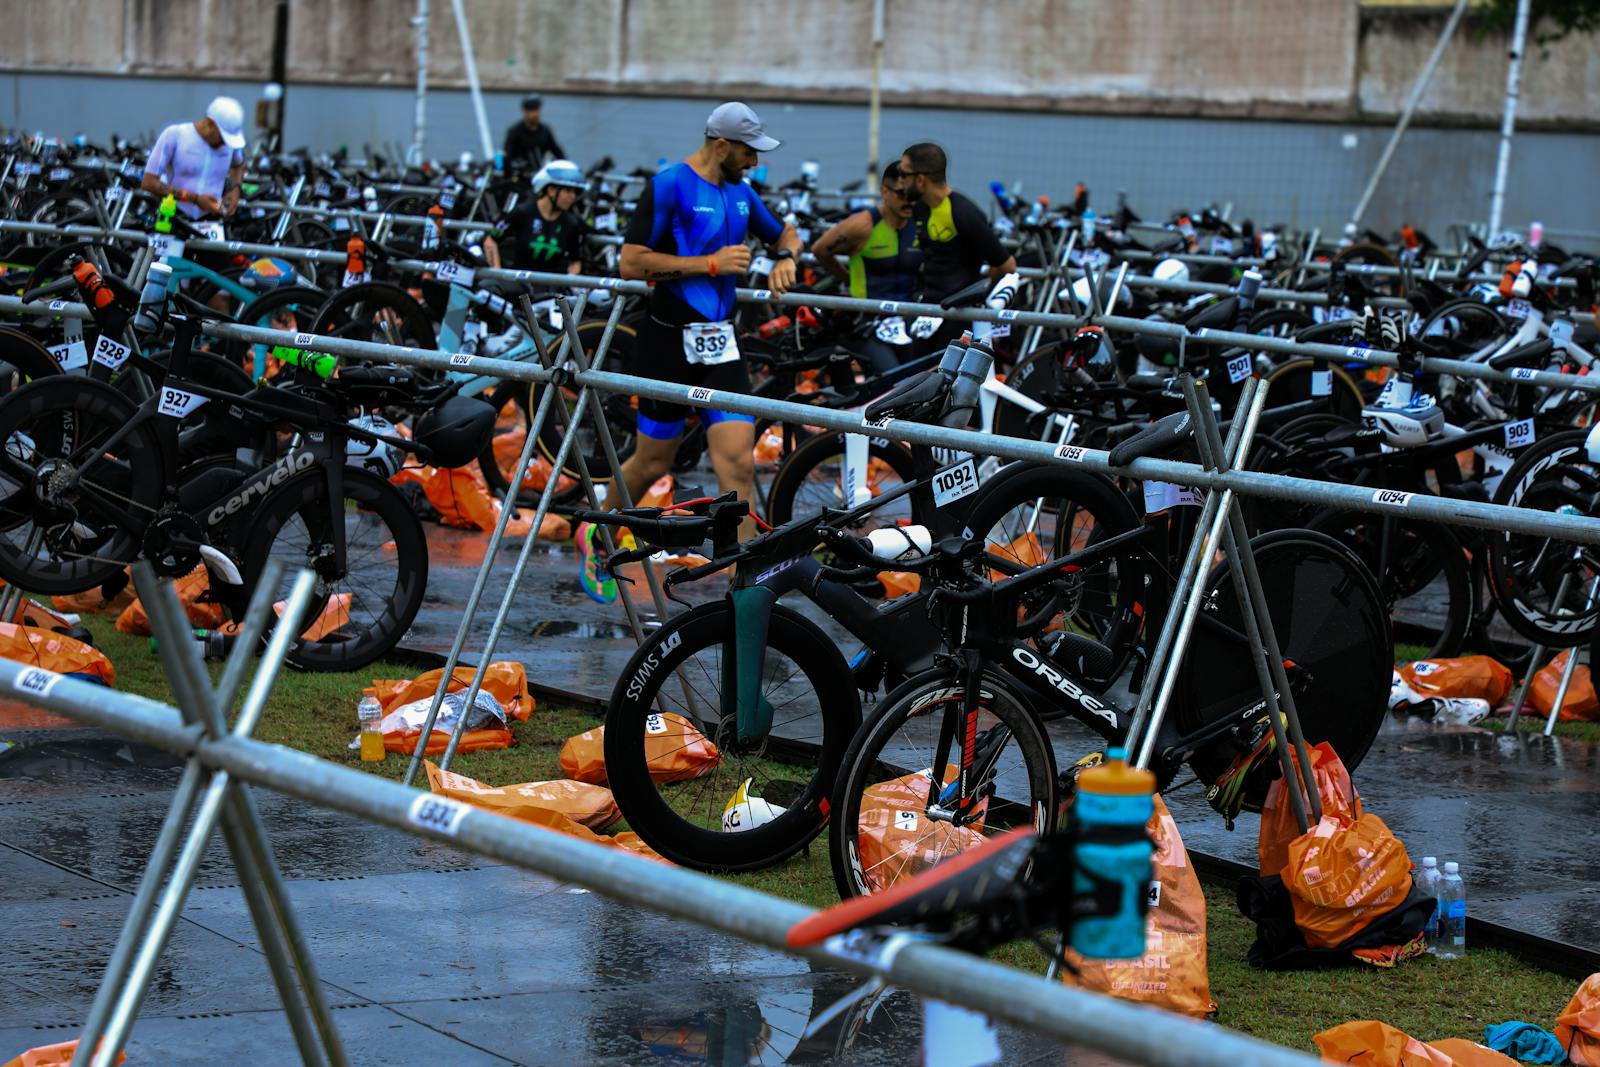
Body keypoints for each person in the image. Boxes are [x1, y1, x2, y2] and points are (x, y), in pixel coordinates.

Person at [573, 101, 801, 603]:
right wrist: (710, 265)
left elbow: (784, 231)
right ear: (721, 145)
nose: (755, 163)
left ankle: (751, 587)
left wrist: (786, 256)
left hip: (720, 345)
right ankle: (602, 534)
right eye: (748, 152)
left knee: (738, 464)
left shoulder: (742, 192)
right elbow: (631, 262)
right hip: (667, 340)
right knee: (653, 461)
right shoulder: (670, 185)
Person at [810, 161, 923, 371]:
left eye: (912, 195)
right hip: (867, 321)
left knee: (920, 378)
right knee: (895, 380)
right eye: (900, 194)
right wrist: (847, 278)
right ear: (884, 192)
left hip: (908, 320)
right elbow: (820, 249)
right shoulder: (863, 225)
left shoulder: (919, 224)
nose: (908, 201)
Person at [898, 142, 1014, 304]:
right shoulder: (920, 208)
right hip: (927, 308)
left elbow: (1007, 265)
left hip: (959, 314)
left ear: (920, 180)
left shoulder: (963, 212)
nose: (900, 181)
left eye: (903, 174)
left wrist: (975, 293)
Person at [141, 96, 247, 218]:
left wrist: (235, 189)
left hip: (211, 218)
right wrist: (195, 198)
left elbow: (239, 166)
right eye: (223, 137)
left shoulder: (230, 146)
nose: (225, 143)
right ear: (210, 123)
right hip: (171, 213)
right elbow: (148, 182)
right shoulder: (175, 135)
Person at [483, 159, 587, 274]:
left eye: (575, 192)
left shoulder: (571, 223)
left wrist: (569, 282)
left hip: (551, 288)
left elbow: (575, 261)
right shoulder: (522, 212)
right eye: (568, 191)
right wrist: (497, 273)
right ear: (551, 190)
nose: (572, 197)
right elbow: (491, 241)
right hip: (519, 286)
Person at [503, 95, 564, 172]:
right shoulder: (514, 132)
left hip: (539, 174)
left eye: (537, 110)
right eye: (532, 111)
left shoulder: (545, 131)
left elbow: (557, 151)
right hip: (520, 176)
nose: (536, 114)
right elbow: (507, 157)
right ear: (525, 112)